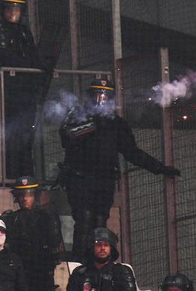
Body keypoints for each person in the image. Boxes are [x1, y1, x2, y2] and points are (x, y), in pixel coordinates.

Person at [59, 76, 181, 257]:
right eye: (97, 95)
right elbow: (66, 137)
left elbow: (132, 153)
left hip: (104, 181)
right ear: (90, 96)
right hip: (80, 179)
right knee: (84, 220)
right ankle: (79, 265)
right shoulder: (79, 116)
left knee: (100, 223)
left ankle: (97, 265)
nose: (101, 99)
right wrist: (90, 126)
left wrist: (159, 168)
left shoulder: (117, 124)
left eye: (105, 95)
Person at [0, 0, 45, 177]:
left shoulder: (25, 32)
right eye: (9, 9)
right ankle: (9, 175)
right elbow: (2, 57)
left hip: (26, 92)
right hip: (7, 92)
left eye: (16, 9)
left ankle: (26, 175)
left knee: (26, 136)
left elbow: (34, 57)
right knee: (9, 136)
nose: (13, 13)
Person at [0, 175, 63, 291]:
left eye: (29, 194)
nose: (25, 198)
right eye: (22, 195)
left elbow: (55, 243)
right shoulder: (11, 219)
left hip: (42, 276)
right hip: (21, 278)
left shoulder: (47, 217)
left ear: (35, 195)